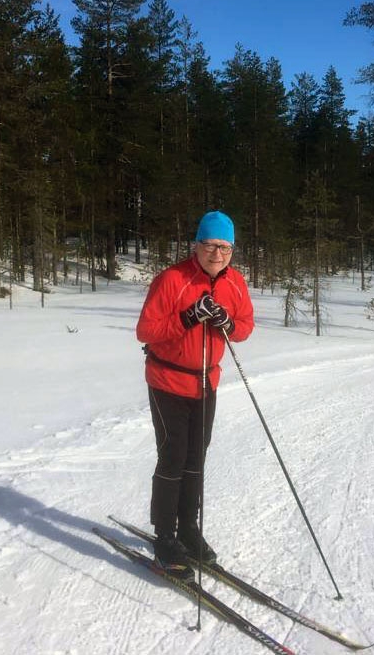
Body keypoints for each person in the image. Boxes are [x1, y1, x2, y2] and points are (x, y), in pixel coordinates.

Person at [135, 210, 255, 579]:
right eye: (210, 245)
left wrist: (228, 324)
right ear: (196, 245)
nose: (217, 253)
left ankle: (188, 528)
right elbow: (146, 331)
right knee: (172, 458)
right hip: (168, 382)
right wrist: (188, 318)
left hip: (206, 384)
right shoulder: (172, 279)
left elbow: (246, 327)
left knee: (195, 460)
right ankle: (165, 538)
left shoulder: (235, 283)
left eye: (224, 247)